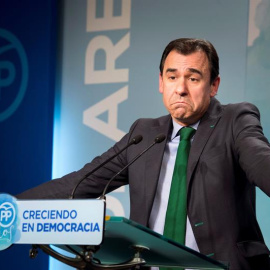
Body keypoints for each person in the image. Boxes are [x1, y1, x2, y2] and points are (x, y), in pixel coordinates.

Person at [17, 38, 270, 270]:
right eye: (172, 78)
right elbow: (78, 183)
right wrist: (10, 209)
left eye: (193, 78)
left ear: (214, 85)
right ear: (161, 82)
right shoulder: (144, 133)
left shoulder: (235, 121)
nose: (180, 88)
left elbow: (261, 161)